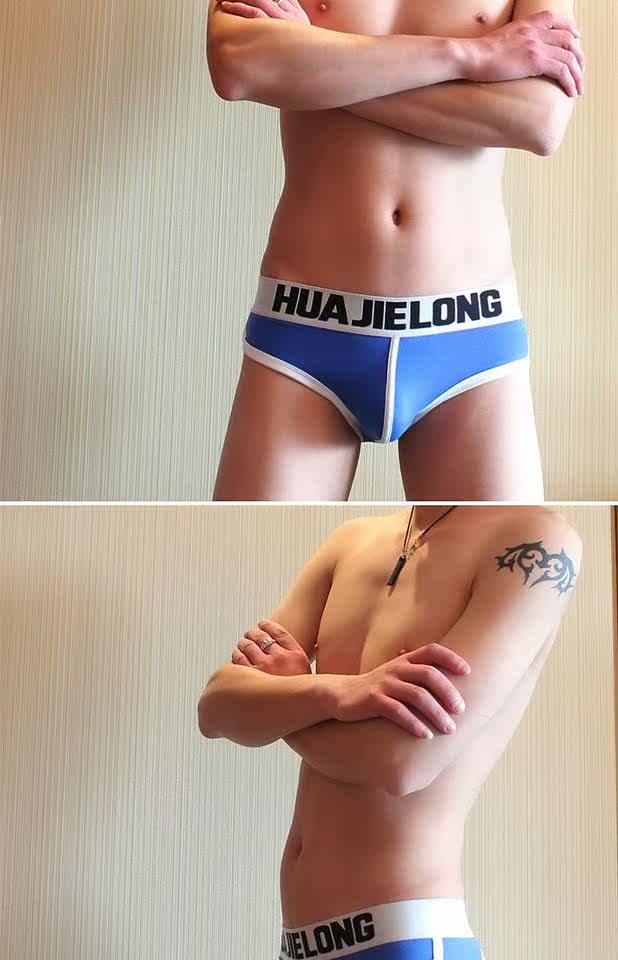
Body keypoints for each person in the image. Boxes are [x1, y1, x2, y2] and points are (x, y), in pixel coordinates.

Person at [206, 0, 584, 501]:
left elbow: (538, 118)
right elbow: (238, 62)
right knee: (255, 547)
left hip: (470, 335)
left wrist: (320, 67)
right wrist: (470, 57)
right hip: (304, 328)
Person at [197, 505, 581, 958]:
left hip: (403, 938)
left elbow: (401, 764)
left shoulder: (536, 540)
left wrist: (286, 696)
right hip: (299, 945)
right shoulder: (349, 541)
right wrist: (337, 692)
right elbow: (215, 707)